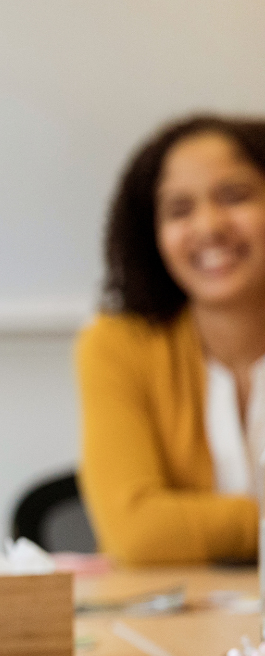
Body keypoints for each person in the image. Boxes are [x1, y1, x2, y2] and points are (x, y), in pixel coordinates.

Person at [77, 115, 265, 566]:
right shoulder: (117, 345)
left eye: (234, 196)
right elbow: (136, 532)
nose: (209, 226)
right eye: (179, 210)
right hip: (173, 626)